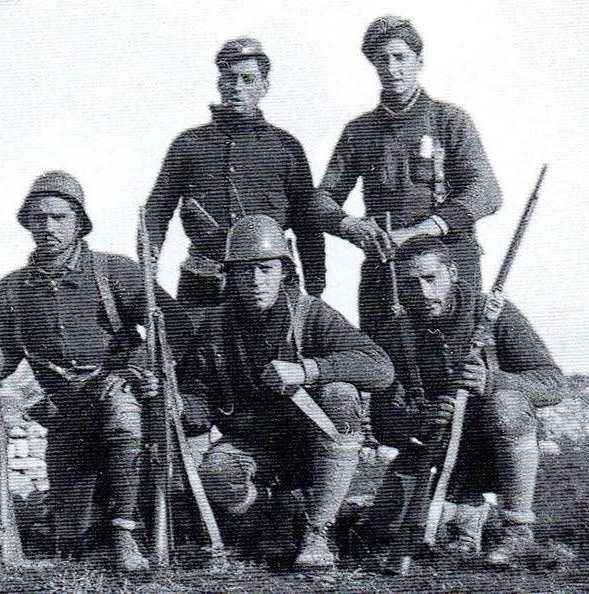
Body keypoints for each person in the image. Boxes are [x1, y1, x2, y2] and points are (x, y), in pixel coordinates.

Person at [0, 171, 193, 571]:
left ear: (79, 222)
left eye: (59, 217)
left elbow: (175, 327)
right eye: (38, 218)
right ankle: (85, 524)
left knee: (123, 417)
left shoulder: (115, 271)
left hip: (120, 393)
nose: (47, 227)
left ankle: (125, 534)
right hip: (67, 415)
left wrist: (137, 368)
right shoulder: (13, 289)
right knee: (72, 539)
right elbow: (5, 360)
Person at [177, 215, 394, 570]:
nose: (256, 281)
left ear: (283, 269)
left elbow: (380, 367)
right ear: (230, 275)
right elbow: (200, 399)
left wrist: (309, 370)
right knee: (215, 475)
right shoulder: (216, 325)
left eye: (265, 268)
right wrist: (178, 403)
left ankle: (318, 532)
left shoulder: (311, 314)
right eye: (244, 271)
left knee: (339, 394)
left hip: (313, 447)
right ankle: (275, 510)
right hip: (254, 447)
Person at [365, 236, 564, 569]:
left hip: (496, 451)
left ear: (453, 272)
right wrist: (419, 420)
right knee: (385, 528)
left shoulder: (493, 314)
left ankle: (517, 531)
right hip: (435, 452)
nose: (424, 292)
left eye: (431, 278)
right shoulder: (394, 333)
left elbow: (553, 384)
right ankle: (467, 514)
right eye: (411, 284)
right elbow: (383, 423)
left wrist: (494, 382)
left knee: (506, 405)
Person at [310, 16, 502, 336]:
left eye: (400, 57)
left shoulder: (449, 120)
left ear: (419, 61)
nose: (391, 68)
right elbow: (320, 201)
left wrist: (418, 231)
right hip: (386, 265)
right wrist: (352, 226)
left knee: (459, 365)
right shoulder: (359, 131)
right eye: (381, 60)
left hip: (448, 265)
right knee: (384, 363)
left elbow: (487, 191)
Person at [142, 37, 326, 312]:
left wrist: (314, 290)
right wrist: (148, 273)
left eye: (248, 79)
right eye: (229, 79)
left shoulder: (286, 147)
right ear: (219, 84)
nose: (237, 87)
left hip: (269, 286)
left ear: (264, 86)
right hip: (203, 285)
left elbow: (307, 225)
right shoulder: (189, 145)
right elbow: (156, 211)